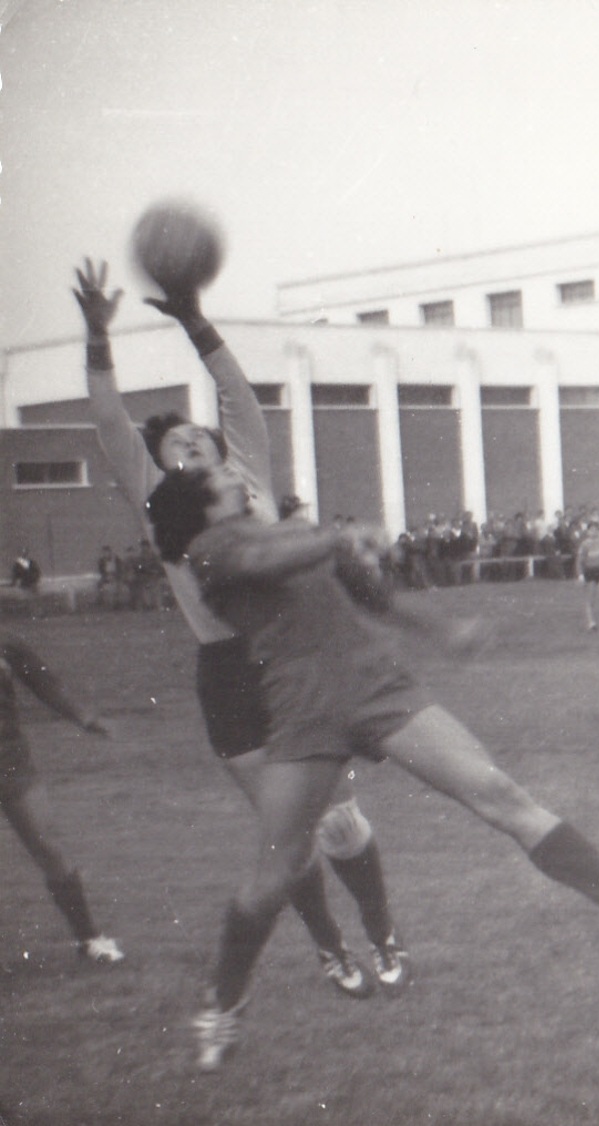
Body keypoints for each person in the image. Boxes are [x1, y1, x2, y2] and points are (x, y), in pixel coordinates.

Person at [144, 466, 599, 1070]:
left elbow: (372, 597)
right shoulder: (209, 550)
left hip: (376, 685)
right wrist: (337, 536)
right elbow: (261, 566)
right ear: (201, 504)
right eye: (217, 473)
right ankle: (223, 1003)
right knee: (276, 872)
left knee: (498, 793)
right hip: (302, 706)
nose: (233, 472)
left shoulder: (290, 533)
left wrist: (444, 629)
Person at [73, 259, 407, 1000]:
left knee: (342, 825)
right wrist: (98, 339)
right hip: (227, 677)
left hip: (291, 660)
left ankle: (384, 935)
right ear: (158, 468)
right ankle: (332, 952)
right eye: (175, 445)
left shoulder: (245, 473)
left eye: (200, 439)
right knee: (285, 843)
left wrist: (195, 320)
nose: (191, 445)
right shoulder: (161, 501)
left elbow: (237, 397)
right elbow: (106, 422)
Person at [1, 632, 123, 964]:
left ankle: (89, 939)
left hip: (10, 762)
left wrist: (85, 718)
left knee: (48, 845)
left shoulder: (6, 642)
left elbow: (44, 683)